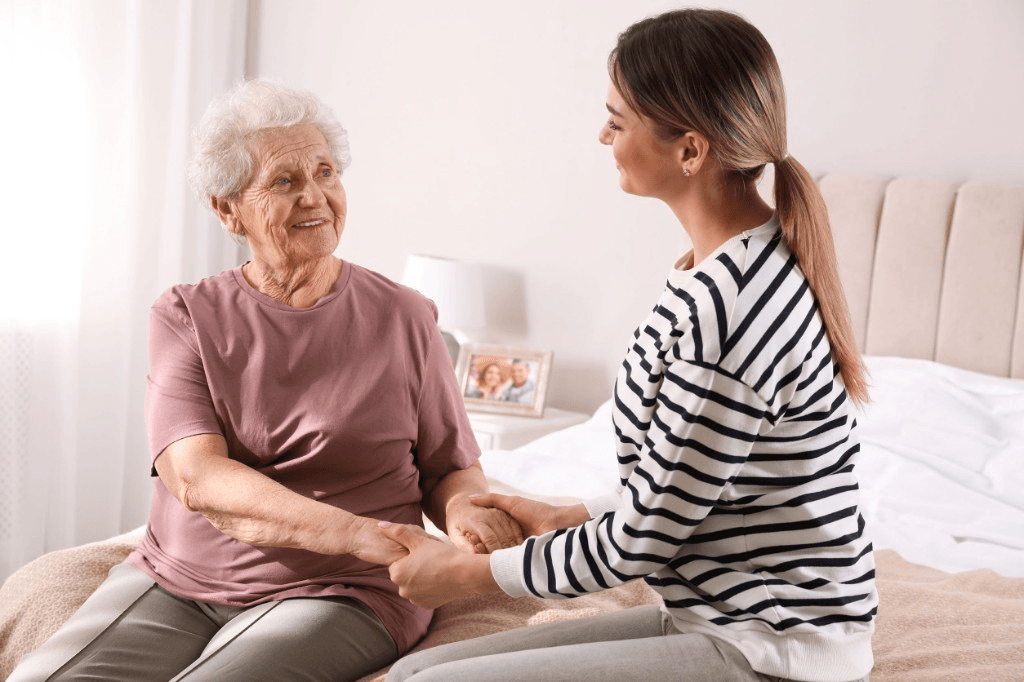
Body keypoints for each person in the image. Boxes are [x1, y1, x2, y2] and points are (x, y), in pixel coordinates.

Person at [381, 9, 876, 682]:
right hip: (721, 615)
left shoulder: (730, 308)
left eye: (618, 121)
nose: (602, 135)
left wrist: (469, 576)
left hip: (768, 646)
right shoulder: (729, 266)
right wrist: (564, 515)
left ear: (692, 150)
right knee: (413, 676)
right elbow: (693, 488)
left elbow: (643, 541)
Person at [8, 79, 522, 682]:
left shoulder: (404, 315)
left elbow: (448, 466)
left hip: (344, 590)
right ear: (228, 210)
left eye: (327, 173)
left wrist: (465, 513)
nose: (316, 197)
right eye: (286, 182)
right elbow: (198, 477)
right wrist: (356, 532)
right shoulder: (185, 316)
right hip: (181, 579)